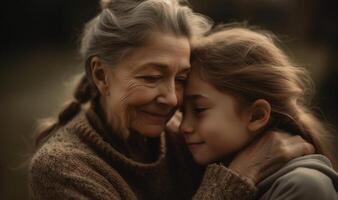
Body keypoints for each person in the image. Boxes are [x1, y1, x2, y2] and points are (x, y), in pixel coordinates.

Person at [29, 0, 314, 199]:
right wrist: (236, 178)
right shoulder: (62, 167)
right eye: (151, 77)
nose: (171, 99)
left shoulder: (186, 136)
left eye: (180, 79)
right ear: (102, 76)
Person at [180, 26, 338, 199]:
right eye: (181, 111)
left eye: (199, 109)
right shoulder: (200, 175)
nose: (184, 126)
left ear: (257, 115)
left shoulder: (302, 187)